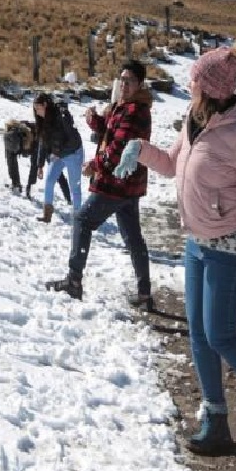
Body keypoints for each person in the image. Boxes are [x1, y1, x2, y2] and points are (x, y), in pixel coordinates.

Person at [126, 40, 236, 471]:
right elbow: (172, 165)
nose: (189, 85)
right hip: (197, 240)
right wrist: (141, 150)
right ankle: (217, 420)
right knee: (199, 334)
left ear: (209, 86)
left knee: (221, 334)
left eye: (194, 80)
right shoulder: (195, 119)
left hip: (231, 241)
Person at [45, 60, 154, 310]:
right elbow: (111, 132)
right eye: (122, 80)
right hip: (128, 185)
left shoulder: (135, 110)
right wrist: (96, 121)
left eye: (129, 81)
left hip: (116, 183)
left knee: (83, 220)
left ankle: (74, 280)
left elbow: (118, 149)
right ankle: (144, 293)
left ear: (139, 84)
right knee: (133, 237)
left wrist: (95, 164)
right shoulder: (124, 106)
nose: (124, 84)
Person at [31, 93, 84, 221]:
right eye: (35, 109)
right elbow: (43, 143)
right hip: (58, 155)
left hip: (73, 153)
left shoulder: (61, 116)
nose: (37, 112)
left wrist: (58, 151)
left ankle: (78, 218)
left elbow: (71, 139)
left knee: (74, 187)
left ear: (45, 105)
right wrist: (40, 165)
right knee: (49, 181)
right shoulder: (43, 121)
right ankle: (47, 214)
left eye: (38, 108)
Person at [2, 120, 71, 201]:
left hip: (46, 142)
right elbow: (11, 163)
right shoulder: (9, 139)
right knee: (11, 158)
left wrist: (29, 186)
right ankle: (16, 184)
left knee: (55, 169)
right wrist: (15, 182)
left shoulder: (36, 137)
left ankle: (68, 197)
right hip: (24, 142)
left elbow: (35, 164)